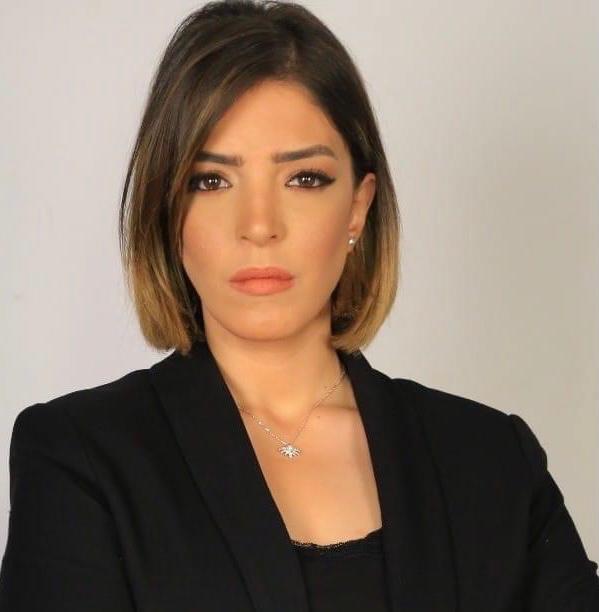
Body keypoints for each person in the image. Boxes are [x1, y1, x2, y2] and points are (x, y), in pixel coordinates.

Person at [1, 1, 598, 610]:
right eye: (211, 180)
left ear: (358, 207)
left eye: (303, 178)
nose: (259, 225)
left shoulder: (491, 457)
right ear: (166, 210)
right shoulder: (81, 458)